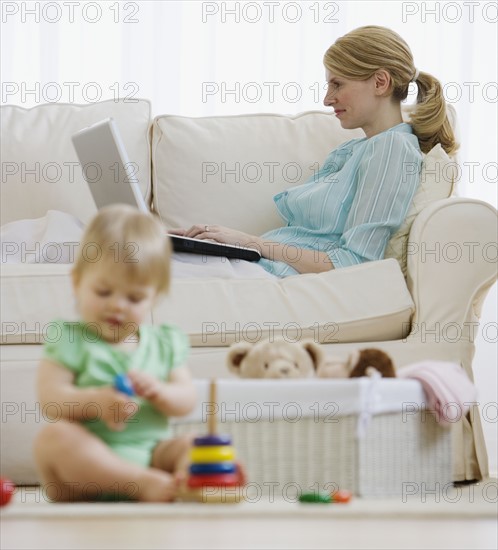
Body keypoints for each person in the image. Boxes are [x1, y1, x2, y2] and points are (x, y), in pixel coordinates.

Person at [170, 26, 458, 278]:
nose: (327, 98)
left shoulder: (392, 151)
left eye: (337, 84)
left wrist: (249, 242)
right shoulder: (356, 150)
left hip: (269, 274)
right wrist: (228, 243)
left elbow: (352, 263)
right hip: (259, 267)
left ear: (380, 82)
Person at [34, 204, 197, 502]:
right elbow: (51, 400)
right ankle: (139, 483)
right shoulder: (69, 337)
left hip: (152, 455)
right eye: (104, 292)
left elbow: (186, 399)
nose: (118, 306)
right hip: (85, 472)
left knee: (194, 444)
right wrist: (95, 403)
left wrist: (160, 391)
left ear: (154, 298)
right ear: (77, 283)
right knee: (53, 439)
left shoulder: (164, 342)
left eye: (134, 297)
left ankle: (183, 486)